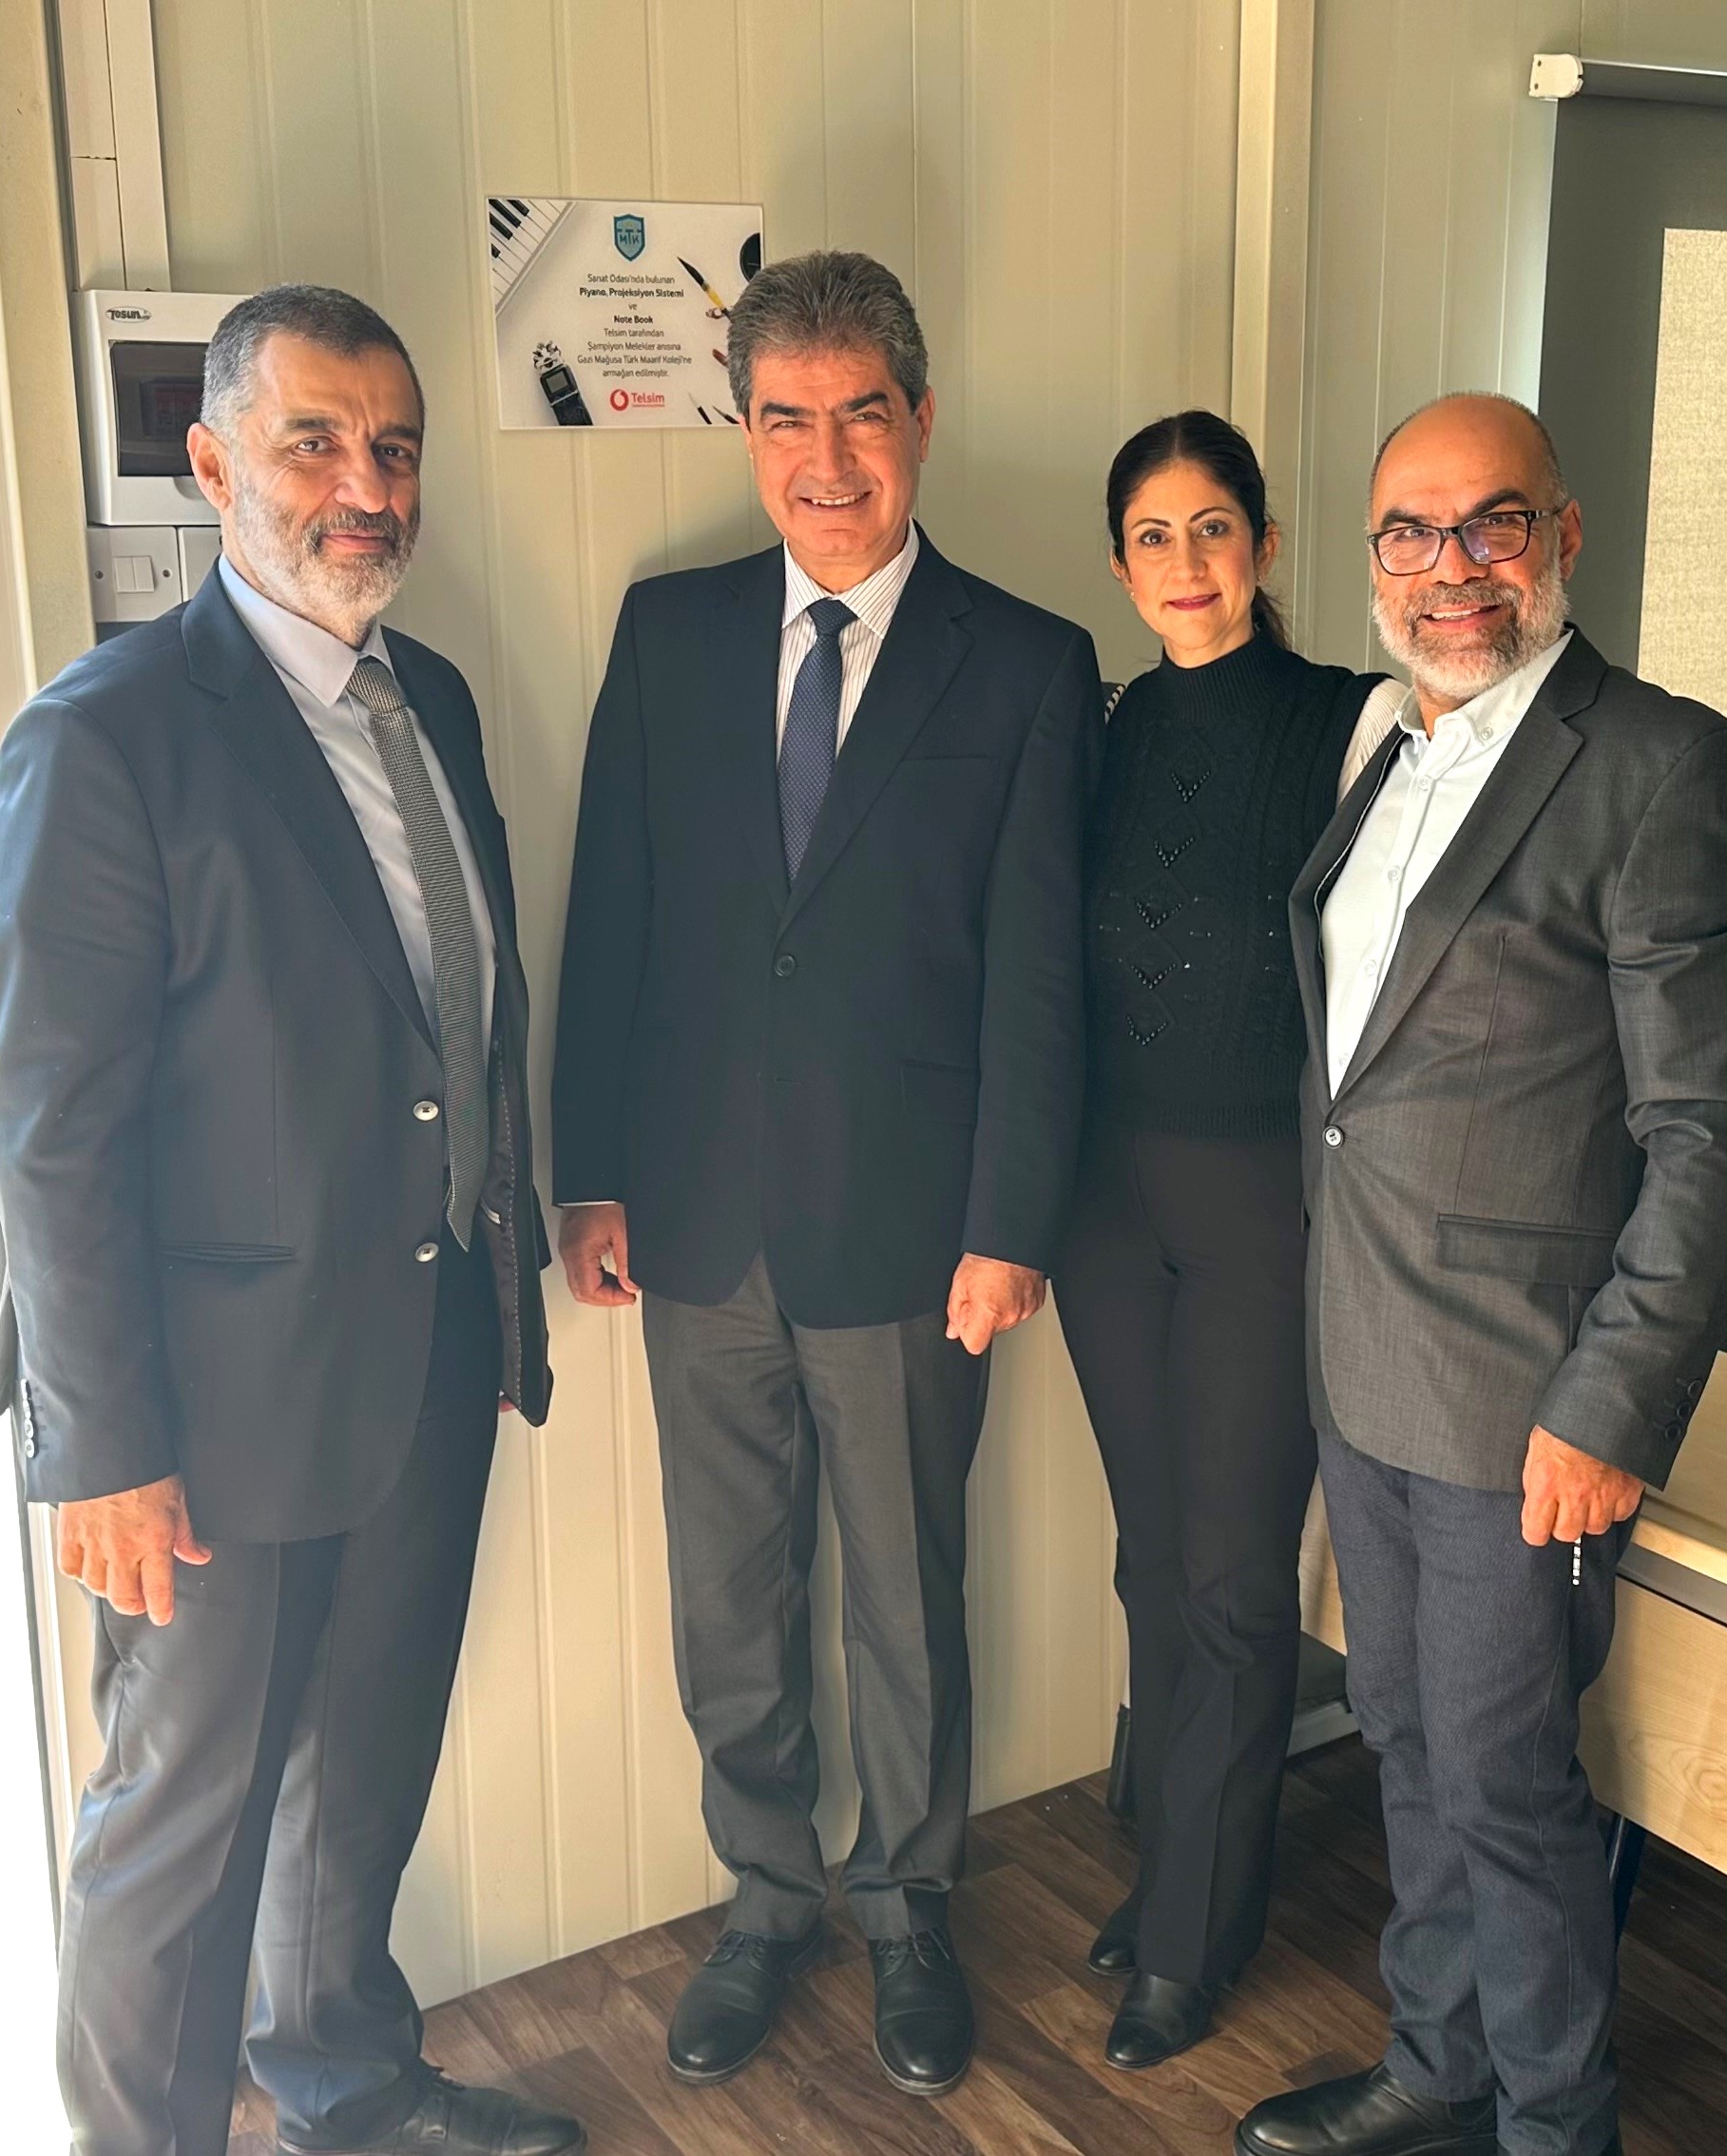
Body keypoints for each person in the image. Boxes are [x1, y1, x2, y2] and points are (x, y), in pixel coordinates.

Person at [0, 285, 577, 2156]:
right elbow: (49, 1129)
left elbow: (460, 1027)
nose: (365, 487)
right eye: (314, 442)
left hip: (424, 1354)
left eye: (393, 447)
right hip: (210, 1416)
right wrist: (101, 1447)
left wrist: (502, 1296)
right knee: (180, 1835)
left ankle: (346, 2086)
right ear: (212, 461)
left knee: (361, 1779)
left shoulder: (431, 698)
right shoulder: (108, 736)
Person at [550, 249, 1097, 2099]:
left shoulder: (1026, 664)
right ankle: (767, 1899)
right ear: (744, 429)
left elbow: (1036, 982)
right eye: (785, 418)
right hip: (696, 1224)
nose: (826, 459)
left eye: (861, 413)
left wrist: (1009, 1224)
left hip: (912, 1236)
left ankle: (909, 1906)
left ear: (920, 420)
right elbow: (611, 920)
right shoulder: (669, 631)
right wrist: (590, 1174)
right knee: (731, 1599)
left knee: (904, 1600)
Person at [1235, 393, 1727, 2156]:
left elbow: (1719, 1128)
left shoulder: (1665, 770)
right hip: (1365, 1358)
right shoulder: (1391, 749)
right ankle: (1440, 2068)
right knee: (1403, 1739)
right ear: (1374, 559)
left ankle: (1559, 2126)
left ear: (1563, 535)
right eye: (1411, 532)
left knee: (1506, 1782)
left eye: (1493, 523)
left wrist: (1612, 1407)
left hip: (1525, 1399)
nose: (1451, 566)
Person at [1055, 412, 1384, 2070]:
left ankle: (1197, 1933)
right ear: (1120, 566)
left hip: (1263, 1201)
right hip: (1106, 1203)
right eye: (1152, 537)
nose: (1184, 564)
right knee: (1149, 1560)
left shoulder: (1350, 723)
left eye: (1211, 528)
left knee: (1236, 1576)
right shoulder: (1105, 731)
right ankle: (1175, 1863)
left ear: (1260, 540)